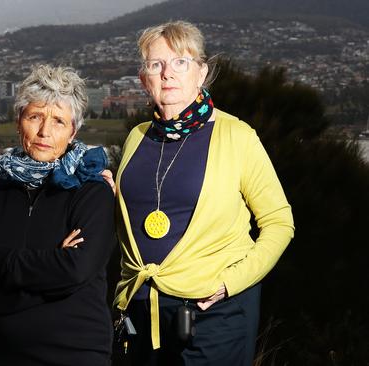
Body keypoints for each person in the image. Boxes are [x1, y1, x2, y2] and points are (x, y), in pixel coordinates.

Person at [113, 21, 295, 365]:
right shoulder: (137, 137)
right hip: (143, 308)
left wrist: (232, 282)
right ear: (143, 79)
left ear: (201, 73)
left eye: (181, 62)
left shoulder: (236, 135)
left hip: (214, 310)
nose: (168, 73)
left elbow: (279, 222)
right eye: (156, 64)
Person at [0, 65, 116, 366]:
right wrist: (51, 270)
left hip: (75, 356)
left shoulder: (92, 194)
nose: (45, 132)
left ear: (73, 130)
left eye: (58, 121)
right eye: (35, 116)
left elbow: (77, 269)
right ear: (19, 120)